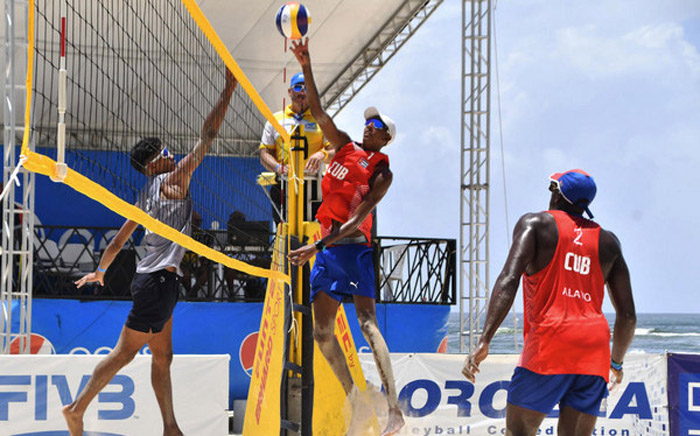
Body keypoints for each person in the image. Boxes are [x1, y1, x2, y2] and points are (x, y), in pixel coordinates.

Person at [64, 69, 237, 436]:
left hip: (158, 282)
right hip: (158, 283)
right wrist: (227, 91)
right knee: (124, 354)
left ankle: (171, 428)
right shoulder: (172, 181)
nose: (171, 154)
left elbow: (117, 241)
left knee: (163, 356)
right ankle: (77, 410)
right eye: (164, 153)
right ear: (153, 164)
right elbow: (207, 137)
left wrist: (101, 271)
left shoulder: (143, 197)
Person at [462, 169, 637, 436]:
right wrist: (616, 363)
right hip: (594, 350)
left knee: (519, 432)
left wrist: (485, 339)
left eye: (552, 187)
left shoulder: (535, 224)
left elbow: (509, 278)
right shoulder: (608, 242)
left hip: (550, 342)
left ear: (558, 194)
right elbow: (627, 316)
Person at [287, 39, 404, 436]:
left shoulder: (381, 171)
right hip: (325, 247)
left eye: (376, 126)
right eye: (368, 123)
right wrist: (307, 61)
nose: (368, 126)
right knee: (321, 335)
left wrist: (316, 246)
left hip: (350, 249)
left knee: (368, 324)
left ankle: (394, 410)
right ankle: (356, 397)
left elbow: (356, 220)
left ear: (385, 139)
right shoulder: (344, 146)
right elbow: (318, 112)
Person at [258, 71, 333, 223]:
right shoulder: (276, 119)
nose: (303, 92)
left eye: (307, 89)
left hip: (314, 186)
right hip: (284, 184)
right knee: (286, 235)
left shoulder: (322, 120)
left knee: (313, 235)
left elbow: (336, 150)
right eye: (298, 88)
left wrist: (322, 155)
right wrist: (278, 167)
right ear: (290, 91)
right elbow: (264, 154)